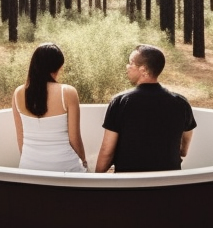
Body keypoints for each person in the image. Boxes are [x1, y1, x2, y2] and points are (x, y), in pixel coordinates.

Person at [95, 45, 196, 173]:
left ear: (143, 70)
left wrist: (97, 179)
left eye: (131, 63)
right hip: (169, 182)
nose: (127, 67)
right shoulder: (181, 103)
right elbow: (184, 149)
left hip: (129, 182)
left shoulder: (120, 102)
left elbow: (107, 151)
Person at [12, 43, 88, 172]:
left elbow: (21, 137)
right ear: (58, 66)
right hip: (64, 167)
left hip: (29, 166)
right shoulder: (68, 92)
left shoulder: (18, 93)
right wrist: (84, 162)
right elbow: (74, 138)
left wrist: (29, 162)